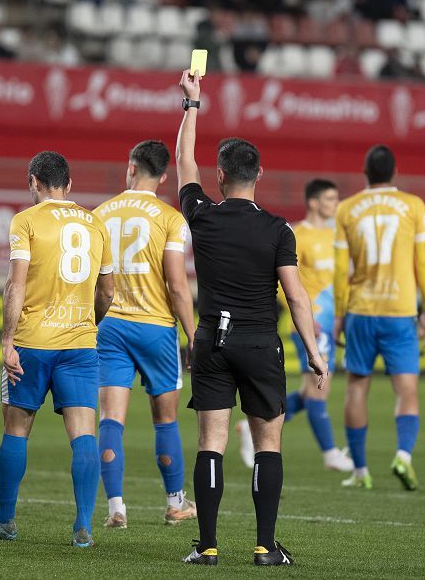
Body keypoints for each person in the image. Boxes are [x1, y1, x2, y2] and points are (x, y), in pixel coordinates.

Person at [174, 70, 328, 567]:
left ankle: (208, 545)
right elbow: (297, 295)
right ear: (259, 175)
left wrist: (192, 105)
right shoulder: (278, 229)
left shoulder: (202, 215)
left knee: (211, 443)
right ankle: (265, 547)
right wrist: (313, 349)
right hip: (262, 343)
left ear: (219, 175)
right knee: (268, 444)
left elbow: (182, 163)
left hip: (211, 343)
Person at [0, 151, 114, 548]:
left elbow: (15, 285)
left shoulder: (26, 221)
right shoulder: (95, 222)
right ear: (68, 185)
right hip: (80, 344)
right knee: (84, 433)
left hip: (32, 343)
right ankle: (83, 524)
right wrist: (90, 322)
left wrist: (6, 340)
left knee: (16, 429)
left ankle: (5, 519)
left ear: (34, 181)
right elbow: (106, 291)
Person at [93, 140, 198, 528]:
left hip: (111, 326)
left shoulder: (101, 214)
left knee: (110, 419)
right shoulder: (170, 218)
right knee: (165, 419)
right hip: (156, 328)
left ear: (130, 167)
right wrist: (192, 333)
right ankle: (174, 503)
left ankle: (116, 507)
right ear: (164, 176)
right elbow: (177, 284)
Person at [334, 145, 425, 491]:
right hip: (400, 310)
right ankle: (403, 455)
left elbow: (339, 269)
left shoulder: (346, 209)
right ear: (395, 173)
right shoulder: (413, 205)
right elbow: (423, 260)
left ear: (365, 173)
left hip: (361, 311)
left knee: (356, 388)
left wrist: (338, 313)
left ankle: (361, 470)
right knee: (406, 388)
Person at [237, 179, 354, 473]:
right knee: (318, 390)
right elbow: (280, 279)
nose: (335, 204)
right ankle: (329, 453)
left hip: (330, 324)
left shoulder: (338, 237)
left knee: (308, 392)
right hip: (309, 324)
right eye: (329, 198)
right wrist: (303, 314)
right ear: (313, 202)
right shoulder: (296, 234)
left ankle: (251, 426)